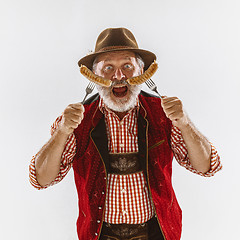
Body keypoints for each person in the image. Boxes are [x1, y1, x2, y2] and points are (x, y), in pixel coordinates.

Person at [29, 28, 222, 240]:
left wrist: (184, 123)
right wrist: (62, 131)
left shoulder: (164, 113)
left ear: (141, 71)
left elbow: (206, 166)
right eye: (108, 67)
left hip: (156, 234)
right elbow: (41, 179)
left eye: (127, 66)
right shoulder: (76, 121)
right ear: (94, 76)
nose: (119, 76)